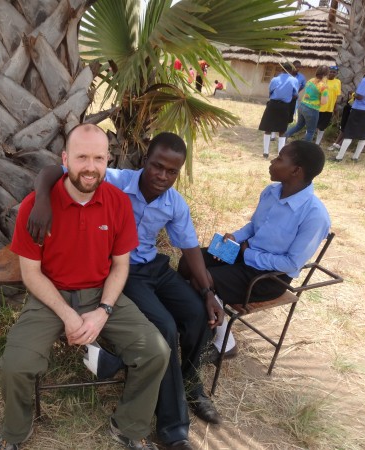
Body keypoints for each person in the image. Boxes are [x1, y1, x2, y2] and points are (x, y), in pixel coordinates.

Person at [28, 132, 226, 450]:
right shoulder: (117, 180)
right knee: (165, 327)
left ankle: (190, 385)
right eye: (157, 166)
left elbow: (190, 249)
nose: (163, 176)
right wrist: (41, 199)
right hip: (123, 271)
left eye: (171, 171)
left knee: (195, 314)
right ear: (144, 161)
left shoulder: (174, 202)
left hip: (155, 267)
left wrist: (207, 293)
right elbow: (53, 171)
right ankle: (173, 428)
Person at [0, 124, 170, 450]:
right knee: (15, 365)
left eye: (99, 158)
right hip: (50, 295)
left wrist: (103, 311)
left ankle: (130, 426)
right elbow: (31, 274)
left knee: (156, 351)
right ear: (65, 159)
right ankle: (16, 431)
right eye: (82, 157)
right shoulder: (37, 207)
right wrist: (68, 315)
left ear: (108, 160)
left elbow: (121, 266)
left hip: (99, 292)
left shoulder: (117, 203)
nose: (90, 167)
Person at [178, 141, 330, 360]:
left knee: (202, 280)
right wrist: (236, 237)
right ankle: (190, 315)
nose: (272, 161)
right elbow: (254, 226)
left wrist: (246, 253)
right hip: (243, 255)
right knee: (188, 263)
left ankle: (225, 343)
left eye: (279, 159)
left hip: (269, 277)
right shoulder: (271, 192)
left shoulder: (315, 216)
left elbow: (291, 263)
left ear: (296, 171)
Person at [332, 59, 365, 162]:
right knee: (363, 134)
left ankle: (339, 157)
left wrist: (353, 94)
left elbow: (360, 97)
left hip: (358, 109)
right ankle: (355, 157)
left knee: (349, 132)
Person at [258, 63, 299, 159]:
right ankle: (280, 154)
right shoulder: (294, 80)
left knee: (268, 128)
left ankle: (265, 152)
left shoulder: (274, 79)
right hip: (284, 106)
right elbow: (295, 94)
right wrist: (287, 96)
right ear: (292, 70)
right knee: (282, 130)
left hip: (272, 105)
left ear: (281, 69)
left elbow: (270, 92)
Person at [284, 65, 329, 143]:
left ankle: (285, 135)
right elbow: (323, 102)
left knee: (299, 125)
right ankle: (306, 147)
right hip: (312, 109)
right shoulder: (324, 86)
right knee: (310, 131)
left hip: (302, 105)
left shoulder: (310, 80)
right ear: (326, 74)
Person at [315, 65, 342, 145]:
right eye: (331, 72)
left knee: (322, 127)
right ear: (327, 72)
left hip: (329, 108)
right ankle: (308, 139)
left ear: (337, 73)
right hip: (319, 107)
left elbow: (337, 95)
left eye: (334, 72)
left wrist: (335, 107)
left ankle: (317, 142)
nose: (332, 74)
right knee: (314, 125)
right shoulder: (322, 80)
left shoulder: (338, 82)